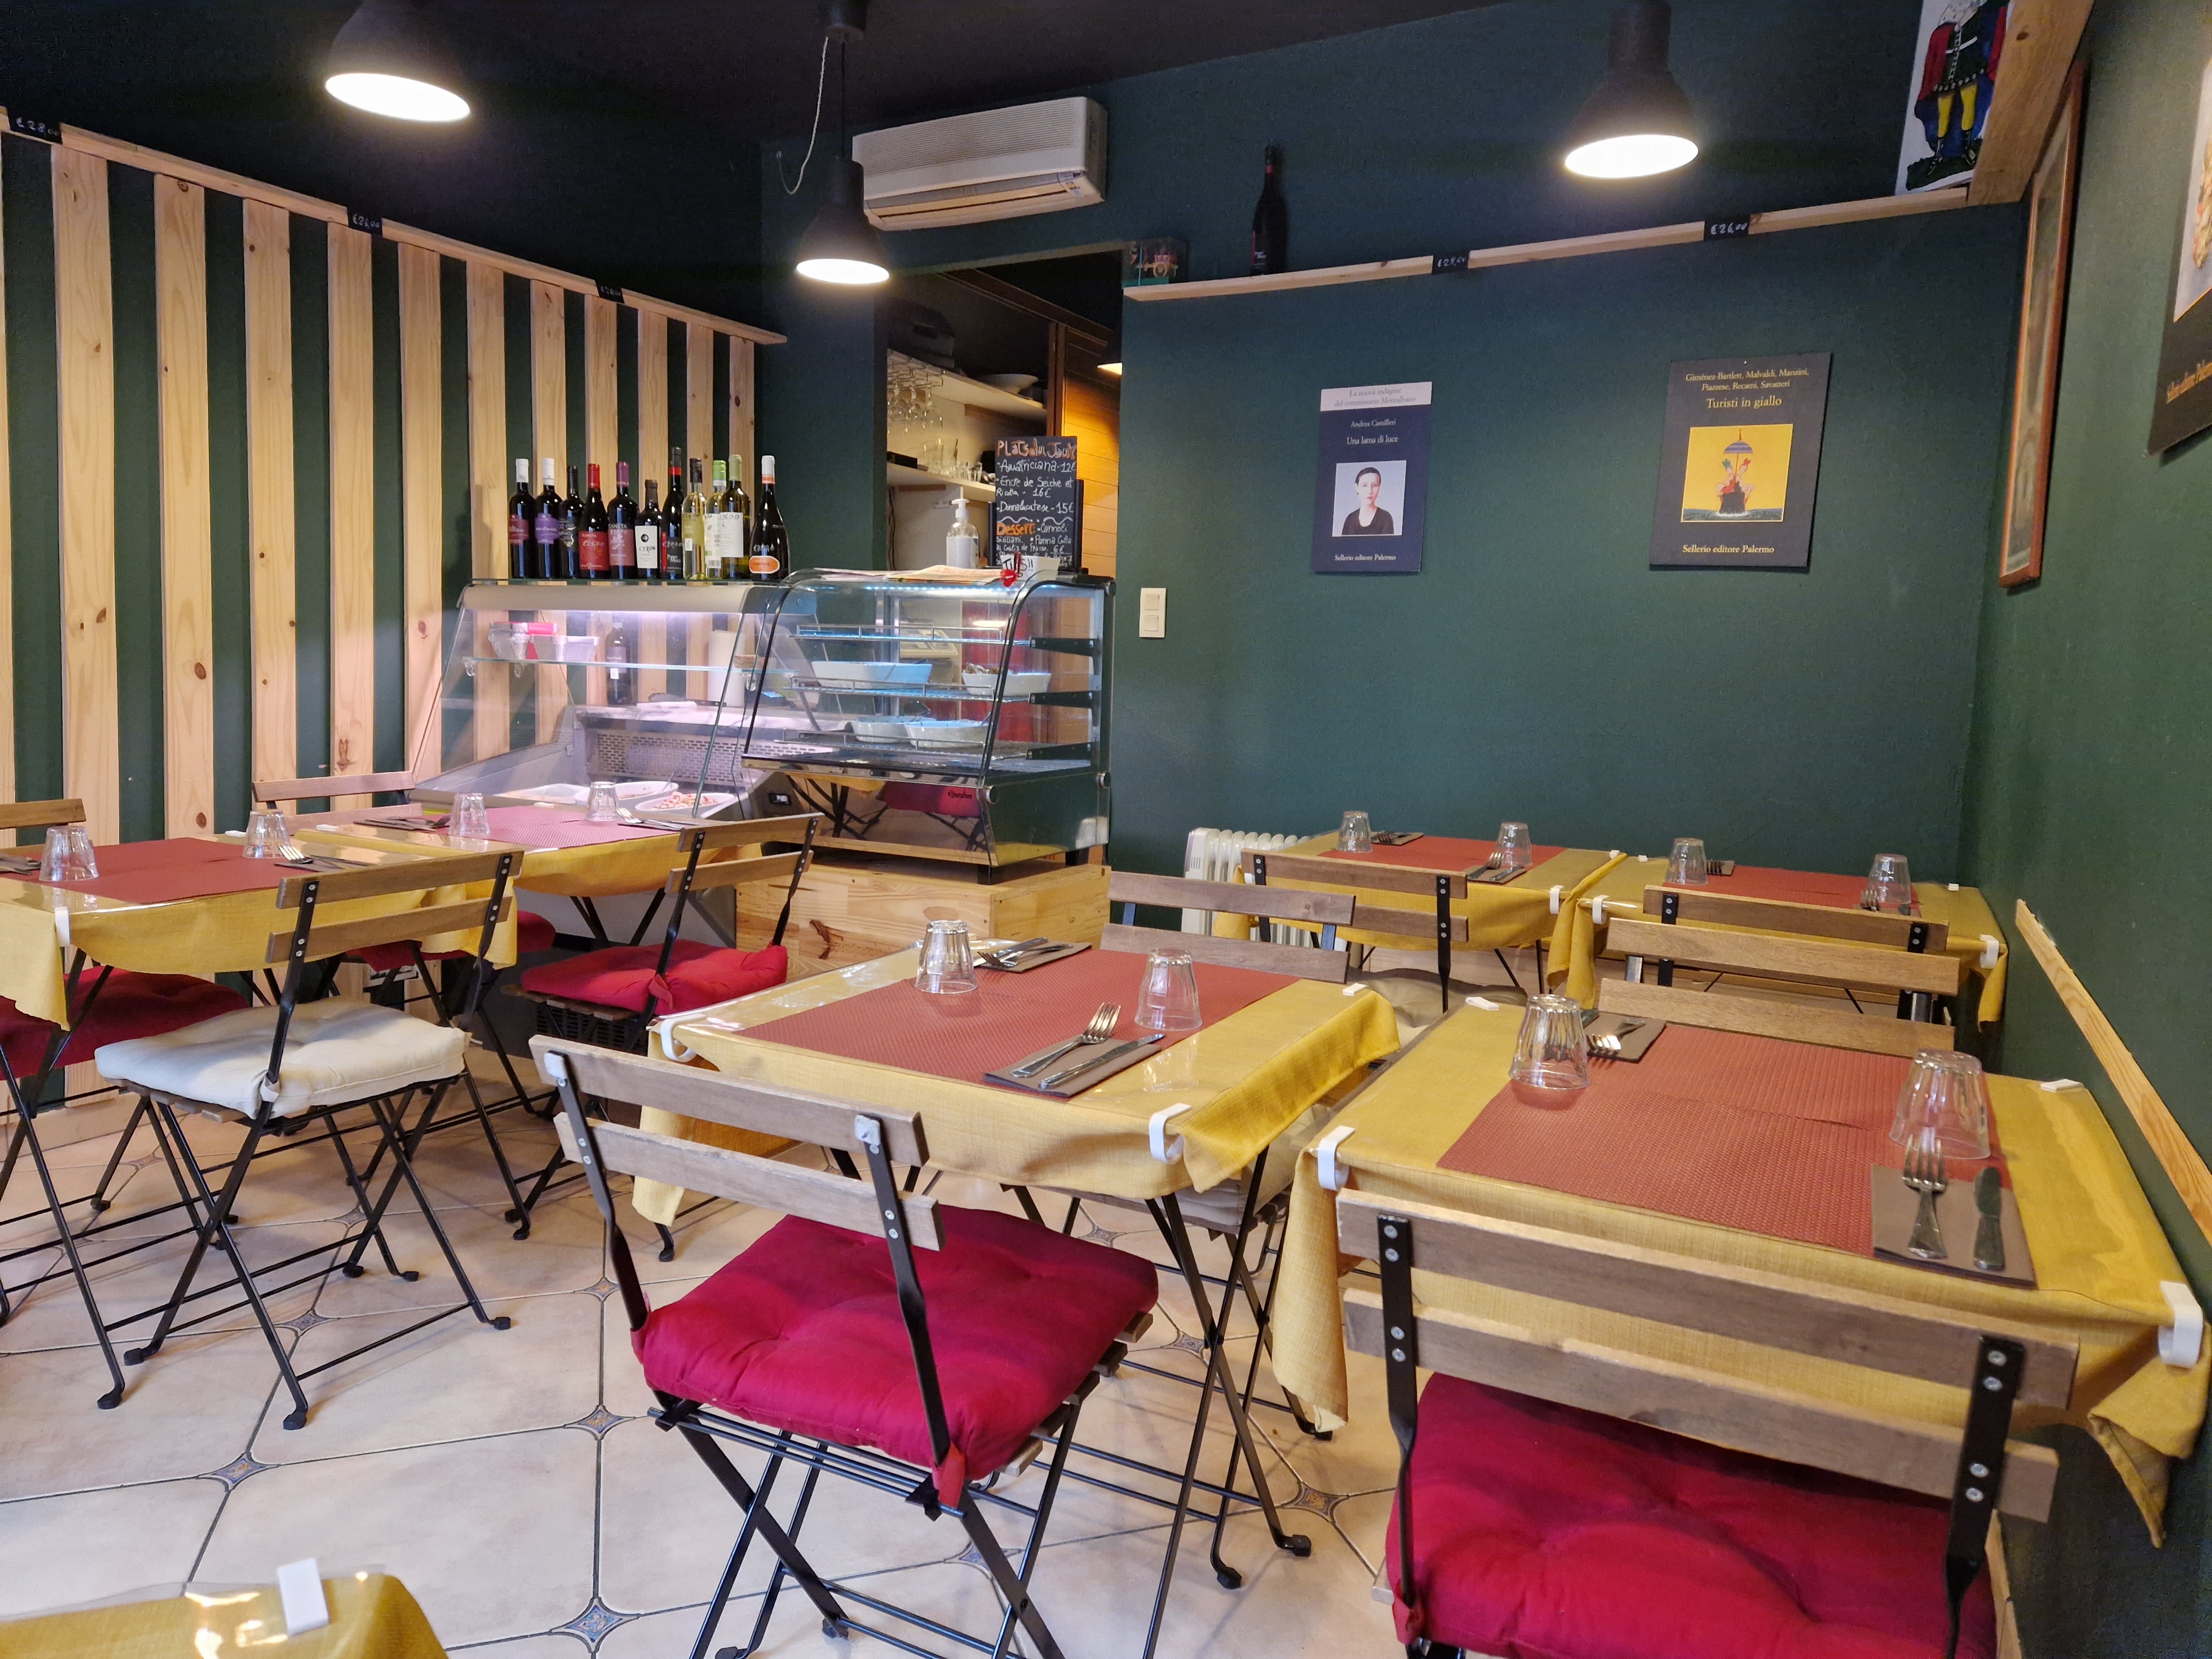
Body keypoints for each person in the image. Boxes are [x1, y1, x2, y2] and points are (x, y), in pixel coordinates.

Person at [1340, 466, 1396, 535]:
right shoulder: (1350, 519)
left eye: (1375, 485)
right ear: (1357, 488)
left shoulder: (1386, 518)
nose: (1370, 491)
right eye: (1365, 485)